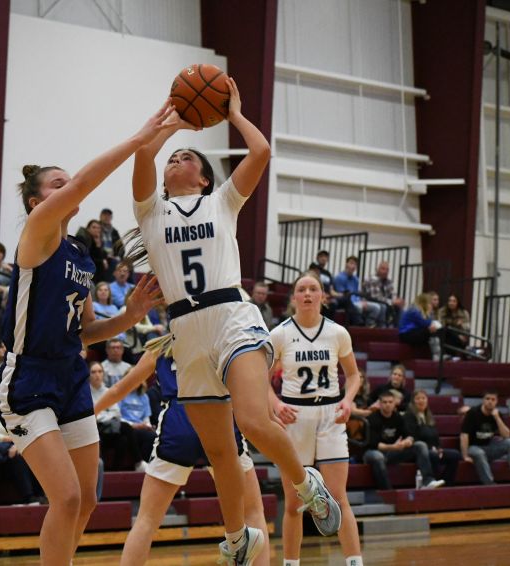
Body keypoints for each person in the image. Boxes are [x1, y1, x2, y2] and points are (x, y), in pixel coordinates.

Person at [130, 82, 339, 564]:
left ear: (204, 178)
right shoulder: (151, 211)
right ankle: (239, 538)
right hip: (185, 331)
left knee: (251, 418)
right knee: (220, 453)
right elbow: (142, 154)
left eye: (186, 157)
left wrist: (235, 113)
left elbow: (261, 150)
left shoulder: (221, 201)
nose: (174, 159)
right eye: (172, 158)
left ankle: (307, 485)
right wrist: (174, 126)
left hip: (232, 318)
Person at [0, 102, 172, 565]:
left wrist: (132, 314)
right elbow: (81, 185)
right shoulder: (36, 232)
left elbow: (87, 333)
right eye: (57, 184)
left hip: (70, 374)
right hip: (28, 380)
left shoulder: (79, 253)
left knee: (87, 500)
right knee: (67, 498)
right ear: (38, 202)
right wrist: (139, 139)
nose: (69, 187)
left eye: (66, 182)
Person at [94, 336, 271, 566]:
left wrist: (90, 412)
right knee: (253, 511)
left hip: (178, 421)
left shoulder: (161, 345)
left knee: (146, 520)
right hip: (219, 416)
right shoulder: (220, 334)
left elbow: (120, 388)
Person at [268, 273, 363, 566]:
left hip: (331, 416)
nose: (307, 294)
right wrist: (275, 403)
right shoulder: (280, 333)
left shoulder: (338, 333)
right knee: (295, 502)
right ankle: (290, 564)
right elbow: (259, 377)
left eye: (313, 289)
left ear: (323, 296)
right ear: (294, 298)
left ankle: (354, 562)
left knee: (337, 496)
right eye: (301, 289)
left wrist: (348, 401)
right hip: (295, 417)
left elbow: (355, 375)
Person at [363, 390, 444, 490]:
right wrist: (394, 447)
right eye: (384, 402)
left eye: (390, 402)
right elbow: (374, 444)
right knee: (378, 457)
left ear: (394, 404)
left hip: (392, 452)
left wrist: (408, 441)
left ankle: (427, 481)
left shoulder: (398, 418)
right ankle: (388, 492)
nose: (388, 405)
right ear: (379, 404)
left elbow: (409, 435)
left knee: (420, 445)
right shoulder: (372, 418)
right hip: (373, 452)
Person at [0, 387, 43, 505]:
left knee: (34, 452)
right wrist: (12, 441)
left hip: (16, 449)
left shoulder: (18, 415)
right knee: (18, 457)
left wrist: (19, 445)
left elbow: (30, 433)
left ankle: (41, 494)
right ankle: (28, 497)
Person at [461, 391, 510, 484]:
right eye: (487, 399)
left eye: (493, 399)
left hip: (489, 446)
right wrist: (465, 455)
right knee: (479, 453)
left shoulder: (497, 414)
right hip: (474, 447)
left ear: (496, 402)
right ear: (483, 400)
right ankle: (489, 483)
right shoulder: (473, 413)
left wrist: (497, 418)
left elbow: (506, 435)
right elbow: (464, 435)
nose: (490, 402)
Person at [89, 361, 148, 472]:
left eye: (100, 371)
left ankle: (116, 471)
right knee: (125, 427)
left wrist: (102, 414)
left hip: (110, 428)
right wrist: (106, 414)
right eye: (93, 372)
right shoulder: (86, 393)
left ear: (103, 374)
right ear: (89, 375)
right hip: (96, 429)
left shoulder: (108, 391)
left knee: (123, 440)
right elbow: (91, 415)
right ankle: (139, 462)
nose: (97, 375)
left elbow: (116, 412)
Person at [404, 390, 461, 485]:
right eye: (418, 398)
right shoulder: (409, 416)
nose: (421, 401)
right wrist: (432, 449)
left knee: (455, 455)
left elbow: (435, 436)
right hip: (417, 451)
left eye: (423, 398)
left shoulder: (429, 416)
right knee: (433, 455)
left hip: (432, 449)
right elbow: (412, 437)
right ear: (413, 401)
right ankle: (431, 482)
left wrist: (438, 448)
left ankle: (446, 483)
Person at [399, 293, 443, 361]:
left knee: (436, 331)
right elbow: (424, 323)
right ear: (424, 303)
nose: (430, 305)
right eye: (429, 303)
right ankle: (437, 355)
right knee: (431, 330)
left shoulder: (418, 310)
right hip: (406, 334)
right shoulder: (414, 310)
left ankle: (438, 354)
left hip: (413, 332)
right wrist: (429, 312)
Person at [362, 261, 404, 326]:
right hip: (369, 301)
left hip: (384, 302)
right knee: (383, 306)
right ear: (377, 269)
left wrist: (397, 301)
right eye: (383, 269)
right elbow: (375, 297)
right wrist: (393, 302)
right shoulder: (372, 279)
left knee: (399, 308)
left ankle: (398, 330)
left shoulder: (388, 281)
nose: (385, 271)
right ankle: (382, 327)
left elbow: (393, 294)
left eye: (387, 269)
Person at [99, 208, 125, 277]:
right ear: (100, 216)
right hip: (102, 256)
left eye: (109, 216)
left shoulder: (114, 232)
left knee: (128, 265)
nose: (107, 217)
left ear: (111, 218)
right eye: (105, 215)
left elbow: (121, 248)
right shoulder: (96, 228)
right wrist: (105, 256)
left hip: (114, 257)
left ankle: (132, 287)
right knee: (114, 263)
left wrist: (118, 256)